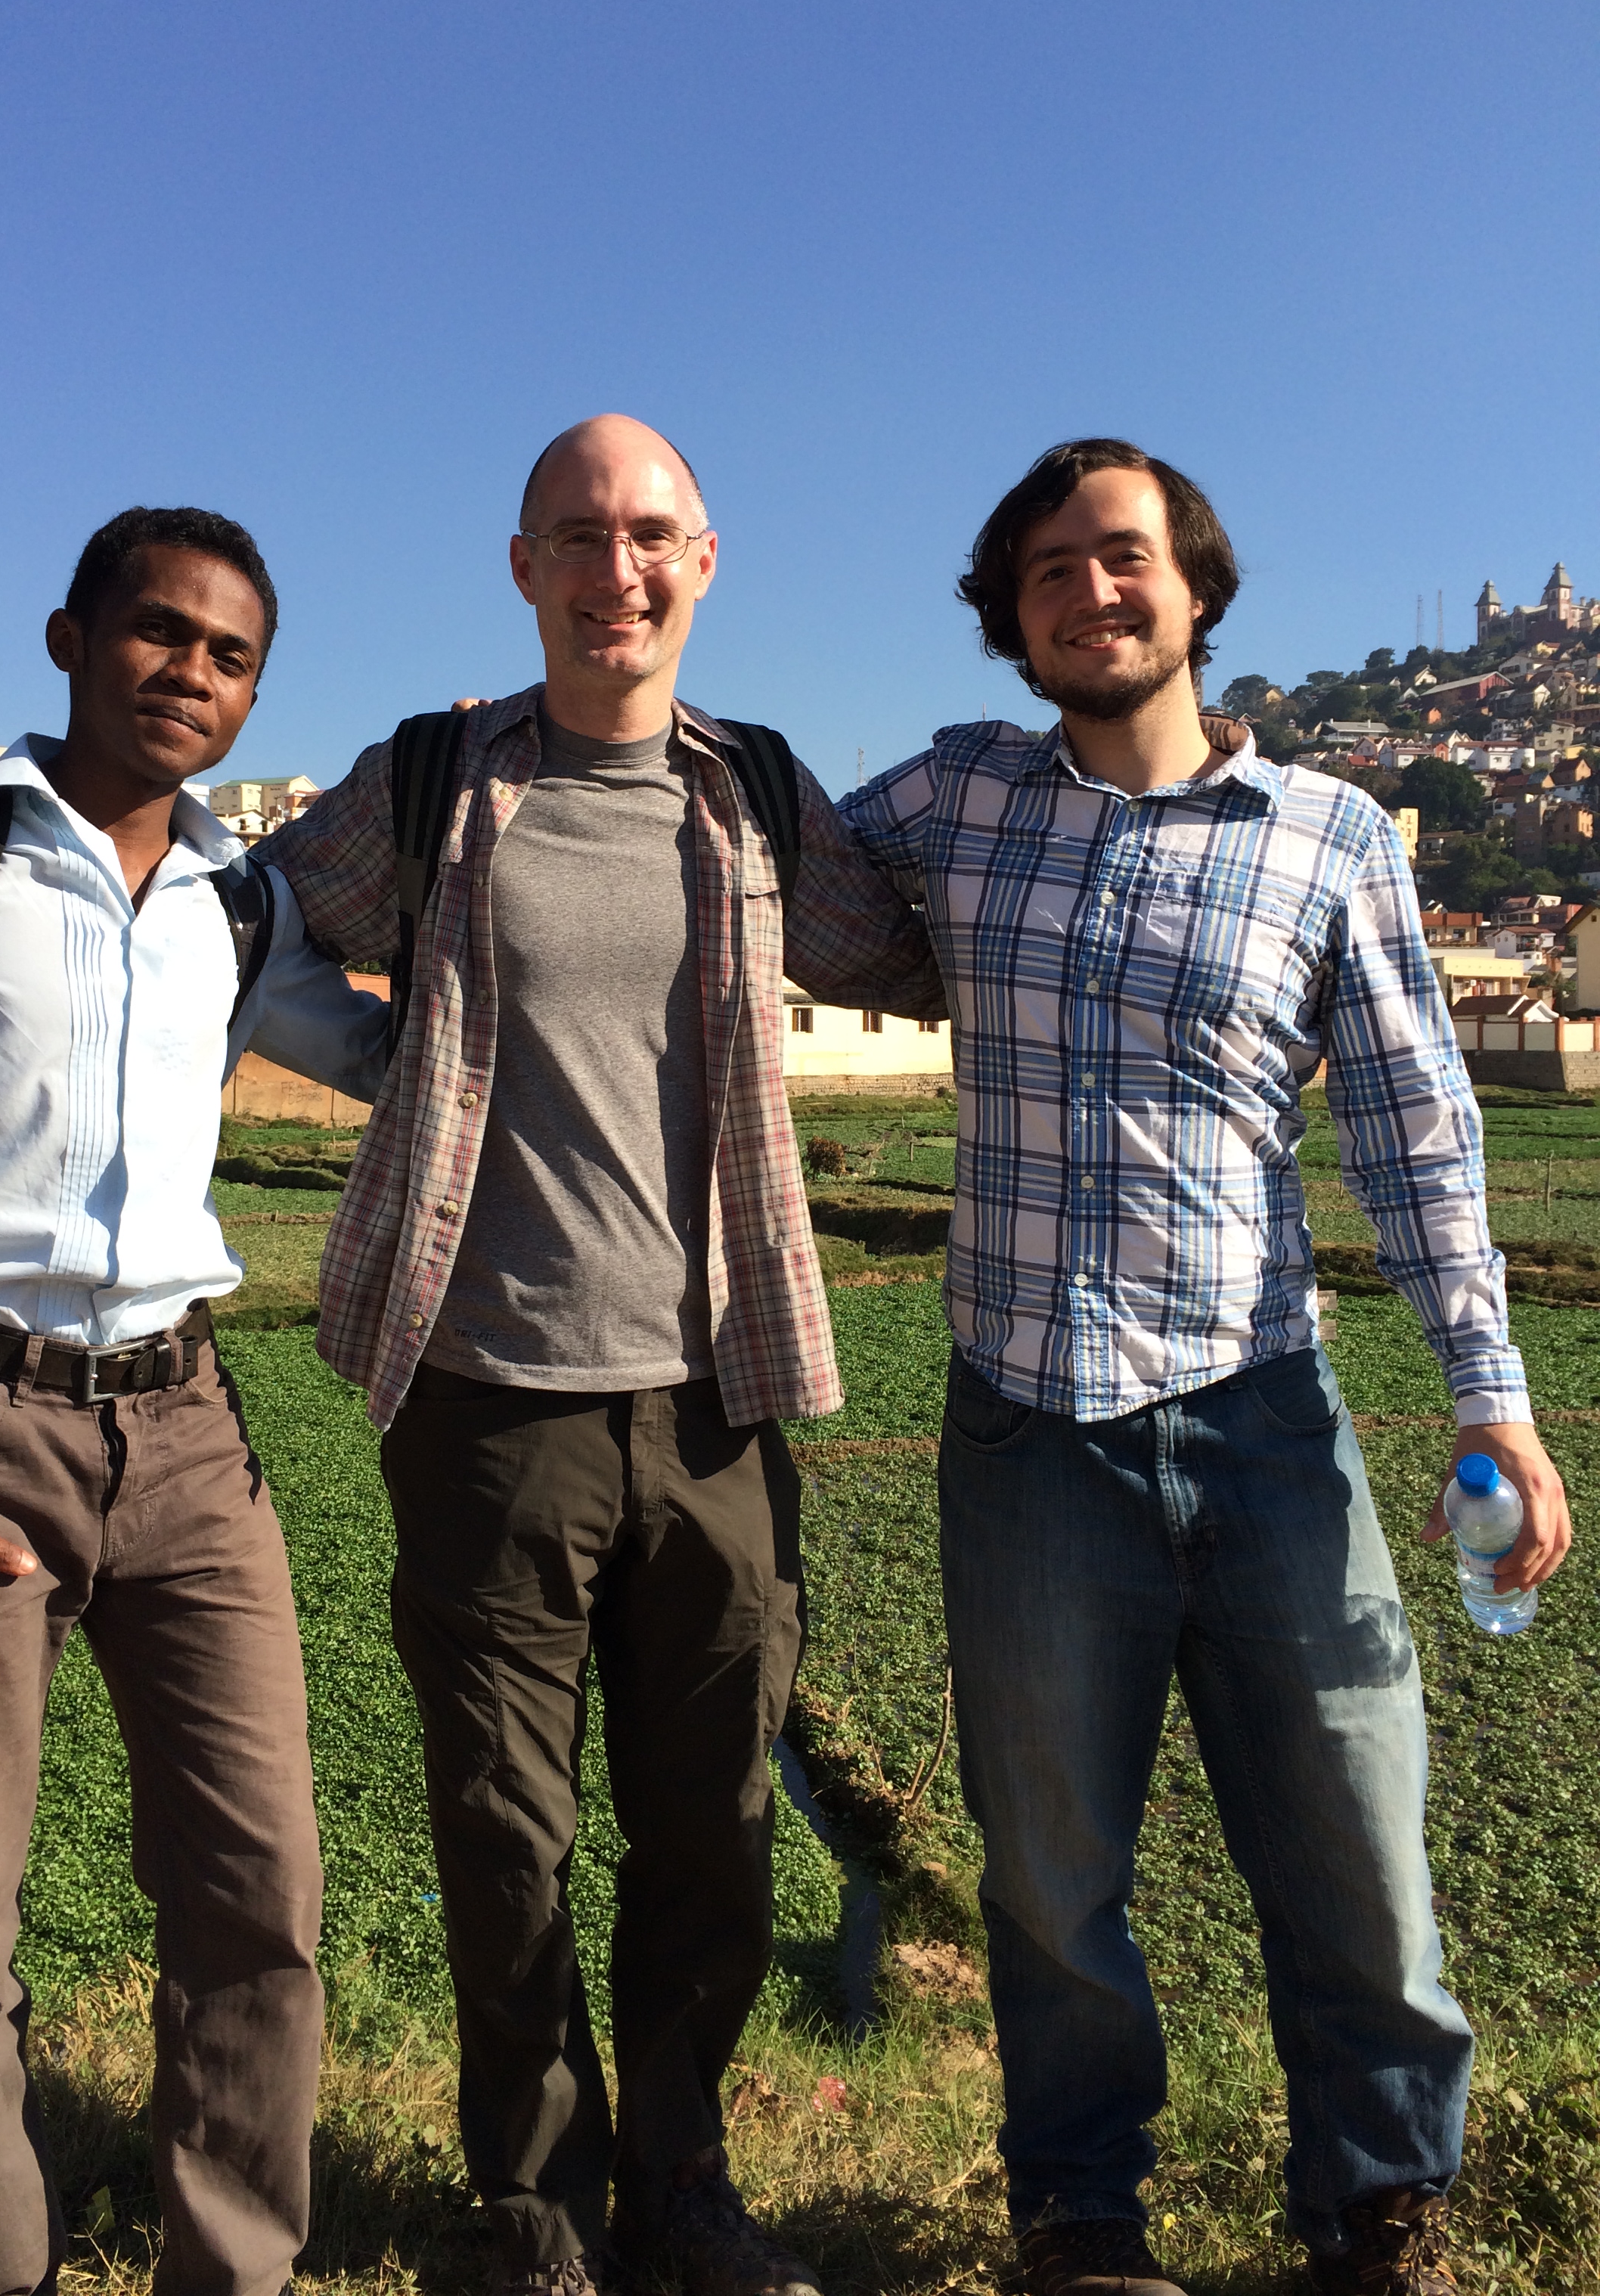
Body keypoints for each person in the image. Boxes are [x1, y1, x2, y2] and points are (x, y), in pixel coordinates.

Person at [837, 439, 1572, 2296]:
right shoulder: (948, 798)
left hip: (1266, 1424)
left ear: (1195, 588)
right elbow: (750, 869)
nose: (1093, 590)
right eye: (1054, 570)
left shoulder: (1327, 836)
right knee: (1054, 1874)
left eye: (1125, 559)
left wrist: (1493, 1394)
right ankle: (1083, 2217)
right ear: (1013, 617)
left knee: (1355, 1847)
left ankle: (1381, 2206)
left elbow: (1416, 1131)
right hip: (1026, 1426)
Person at [259, 414, 946, 2296]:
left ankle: (687, 2189)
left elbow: (938, 951)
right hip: (486, 1399)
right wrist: (391, 1072)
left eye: (650, 535)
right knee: (505, 1835)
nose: (617, 568)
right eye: (580, 535)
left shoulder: (762, 801)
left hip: (716, 1397)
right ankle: (538, 2204)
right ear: (524, 567)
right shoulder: (434, 783)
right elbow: (242, 929)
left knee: (717, 1830)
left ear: (703, 565)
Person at [0, 507, 389, 2296]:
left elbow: (415, 1056)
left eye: (233, 655)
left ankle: (235, 2270)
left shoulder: (235, 902)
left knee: (262, 1902)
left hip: (190, 1435)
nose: (192, 673)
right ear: (68, 636)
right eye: (160, 634)